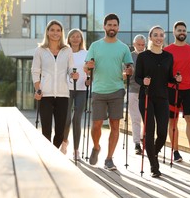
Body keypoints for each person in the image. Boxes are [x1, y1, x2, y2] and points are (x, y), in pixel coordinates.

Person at [85, 13, 133, 170]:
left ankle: (109, 158)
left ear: (118, 28)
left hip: (117, 90)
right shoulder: (95, 46)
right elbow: (86, 67)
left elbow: (129, 68)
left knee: (114, 125)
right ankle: (96, 147)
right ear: (104, 27)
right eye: (109, 25)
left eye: (115, 25)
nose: (112, 28)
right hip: (98, 90)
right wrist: (88, 67)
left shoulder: (124, 48)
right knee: (96, 125)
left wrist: (129, 70)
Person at [135, 26, 182, 178]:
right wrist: (144, 81)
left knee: (162, 132)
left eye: (161, 35)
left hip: (162, 98)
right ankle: (153, 166)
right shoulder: (143, 56)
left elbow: (169, 77)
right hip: (146, 97)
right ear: (150, 37)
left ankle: (153, 153)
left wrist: (176, 79)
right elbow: (137, 77)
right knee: (149, 131)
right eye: (155, 35)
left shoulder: (168, 57)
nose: (158, 37)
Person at [31, 20, 79, 148]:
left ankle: (55, 153)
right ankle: (48, 159)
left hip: (63, 95)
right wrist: (37, 89)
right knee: (45, 130)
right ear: (47, 32)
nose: (55, 33)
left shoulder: (67, 50)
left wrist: (73, 74)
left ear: (62, 33)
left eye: (58, 30)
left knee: (60, 132)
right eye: (52, 30)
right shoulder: (40, 50)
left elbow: (71, 68)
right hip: (45, 95)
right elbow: (35, 71)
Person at [164, 21, 190, 162]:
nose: (182, 32)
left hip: (188, 88)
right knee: (173, 121)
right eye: (179, 30)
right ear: (174, 32)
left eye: (184, 30)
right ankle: (175, 152)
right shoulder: (167, 50)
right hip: (172, 89)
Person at [60, 29, 88, 160]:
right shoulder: (65, 53)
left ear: (81, 39)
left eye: (78, 37)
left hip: (81, 89)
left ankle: (76, 150)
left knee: (77, 119)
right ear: (69, 39)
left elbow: (90, 71)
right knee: (66, 119)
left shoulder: (86, 53)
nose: (76, 39)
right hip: (67, 89)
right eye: (73, 36)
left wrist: (90, 79)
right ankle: (64, 141)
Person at [128, 34, 146, 155]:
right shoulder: (129, 56)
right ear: (134, 44)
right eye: (138, 44)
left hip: (147, 91)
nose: (140, 46)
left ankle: (145, 140)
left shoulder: (148, 56)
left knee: (147, 119)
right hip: (133, 90)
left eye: (142, 45)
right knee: (135, 118)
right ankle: (137, 143)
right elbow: (125, 74)